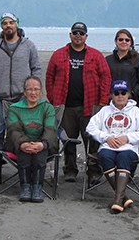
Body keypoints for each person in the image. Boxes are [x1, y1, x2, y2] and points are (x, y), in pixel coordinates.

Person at [45, 22, 111, 184]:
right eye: (75, 33)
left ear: (86, 36)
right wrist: (54, 99)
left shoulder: (96, 55)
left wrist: (102, 102)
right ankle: (70, 170)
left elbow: (106, 78)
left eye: (81, 33)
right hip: (66, 106)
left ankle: (94, 171)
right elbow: (49, 77)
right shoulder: (59, 55)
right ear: (70, 35)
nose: (78, 36)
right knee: (68, 140)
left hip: (90, 106)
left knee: (92, 141)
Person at [0, 12, 41, 178]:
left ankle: (24, 162)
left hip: (22, 98)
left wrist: (33, 91)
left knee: (23, 130)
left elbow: (36, 69)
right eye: (5, 23)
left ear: (17, 24)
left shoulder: (28, 45)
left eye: (11, 22)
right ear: (1, 26)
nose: (8, 25)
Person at [86, 80, 139, 212]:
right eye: (116, 93)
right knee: (104, 156)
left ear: (128, 95)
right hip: (107, 147)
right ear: (111, 95)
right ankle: (123, 197)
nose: (120, 96)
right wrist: (106, 137)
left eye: (123, 92)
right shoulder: (104, 111)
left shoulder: (136, 112)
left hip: (128, 147)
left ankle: (117, 200)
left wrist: (127, 138)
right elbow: (90, 127)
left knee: (123, 158)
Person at [6, 76, 58, 203]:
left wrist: (42, 144)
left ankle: (37, 187)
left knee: (40, 152)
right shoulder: (14, 108)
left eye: (36, 89)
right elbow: (14, 130)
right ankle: (25, 187)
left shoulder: (47, 108)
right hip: (19, 142)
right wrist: (23, 143)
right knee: (25, 151)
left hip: (42, 142)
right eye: (29, 89)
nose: (33, 93)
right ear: (24, 92)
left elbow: (50, 129)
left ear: (41, 92)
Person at [105, 29, 139, 105]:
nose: (124, 42)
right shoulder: (107, 60)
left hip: (131, 102)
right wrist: (109, 94)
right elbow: (103, 80)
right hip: (111, 102)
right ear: (116, 41)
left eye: (127, 40)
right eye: (121, 39)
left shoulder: (138, 61)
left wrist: (131, 94)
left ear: (131, 43)